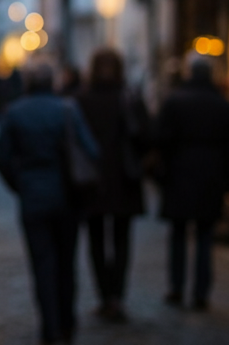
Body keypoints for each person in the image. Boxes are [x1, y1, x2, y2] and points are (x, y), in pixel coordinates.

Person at [0, 64, 100, 344]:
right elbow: (91, 150)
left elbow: (2, 158)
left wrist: (21, 184)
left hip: (33, 198)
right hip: (67, 198)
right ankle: (67, 324)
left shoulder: (15, 111)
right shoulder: (67, 109)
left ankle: (49, 328)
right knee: (67, 262)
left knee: (42, 265)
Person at [157, 56, 229, 310]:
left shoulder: (174, 102)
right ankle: (201, 291)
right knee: (205, 235)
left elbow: (161, 140)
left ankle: (176, 287)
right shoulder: (223, 105)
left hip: (180, 174)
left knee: (179, 234)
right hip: (210, 176)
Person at [73, 48, 148, 322]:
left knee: (96, 240)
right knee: (121, 240)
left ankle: (105, 296)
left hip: (92, 180)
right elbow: (145, 137)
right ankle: (116, 296)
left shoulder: (81, 100)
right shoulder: (128, 98)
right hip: (123, 181)